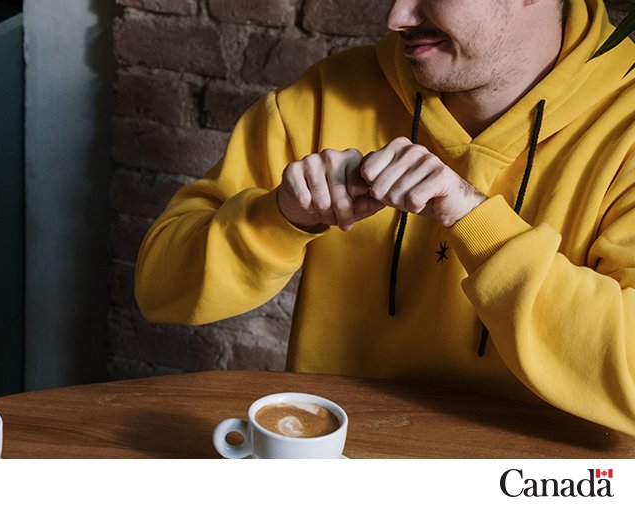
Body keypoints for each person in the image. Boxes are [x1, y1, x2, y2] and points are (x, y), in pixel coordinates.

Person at [136, 0, 635, 436]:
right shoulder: (325, 96)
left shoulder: (626, 125)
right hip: (342, 468)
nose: (396, 17)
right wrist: (280, 217)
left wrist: (477, 223)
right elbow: (159, 287)